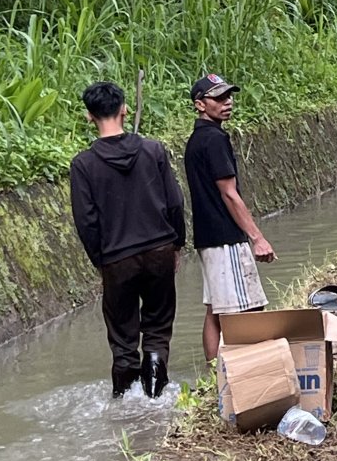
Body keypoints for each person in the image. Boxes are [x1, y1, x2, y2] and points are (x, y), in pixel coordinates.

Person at [69, 80, 186, 398]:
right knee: (157, 330)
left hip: (117, 258)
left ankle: (124, 406)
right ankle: (154, 399)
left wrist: (101, 261)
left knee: (122, 339)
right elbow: (175, 202)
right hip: (160, 248)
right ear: (124, 109)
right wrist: (177, 245)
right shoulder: (153, 150)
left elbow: (86, 221)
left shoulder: (83, 164)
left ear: (89, 117)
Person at [184, 74, 274, 360]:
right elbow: (230, 194)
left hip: (208, 237)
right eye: (219, 98)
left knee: (216, 309)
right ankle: (249, 369)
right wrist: (257, 238)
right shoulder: (213, 140)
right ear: (200, 104)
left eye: (228, 96)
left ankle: (215, 376)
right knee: (249, 309)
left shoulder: (197, 139)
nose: (227, 102)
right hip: (225, 238)